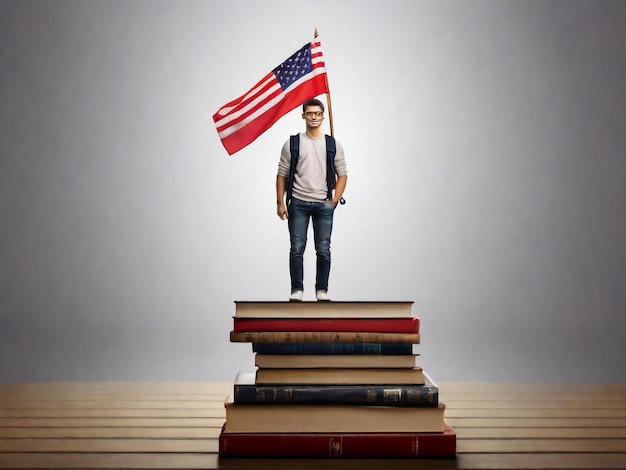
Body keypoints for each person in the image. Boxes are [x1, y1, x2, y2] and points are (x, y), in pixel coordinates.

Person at [276, 98, 348, 302]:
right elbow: (282, 174)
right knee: (297, 248)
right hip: (298, 203)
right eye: (310, 113)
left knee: (323, 249)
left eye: (317, 113)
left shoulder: (332, 144)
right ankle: (296, 290)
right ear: (303, 116)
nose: (314, 117)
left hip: (324, 204)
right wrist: (280, 202)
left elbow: (342, 174)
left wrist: (335, 199)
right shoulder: (292, 143)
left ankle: (321, 290)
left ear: (323, 116)